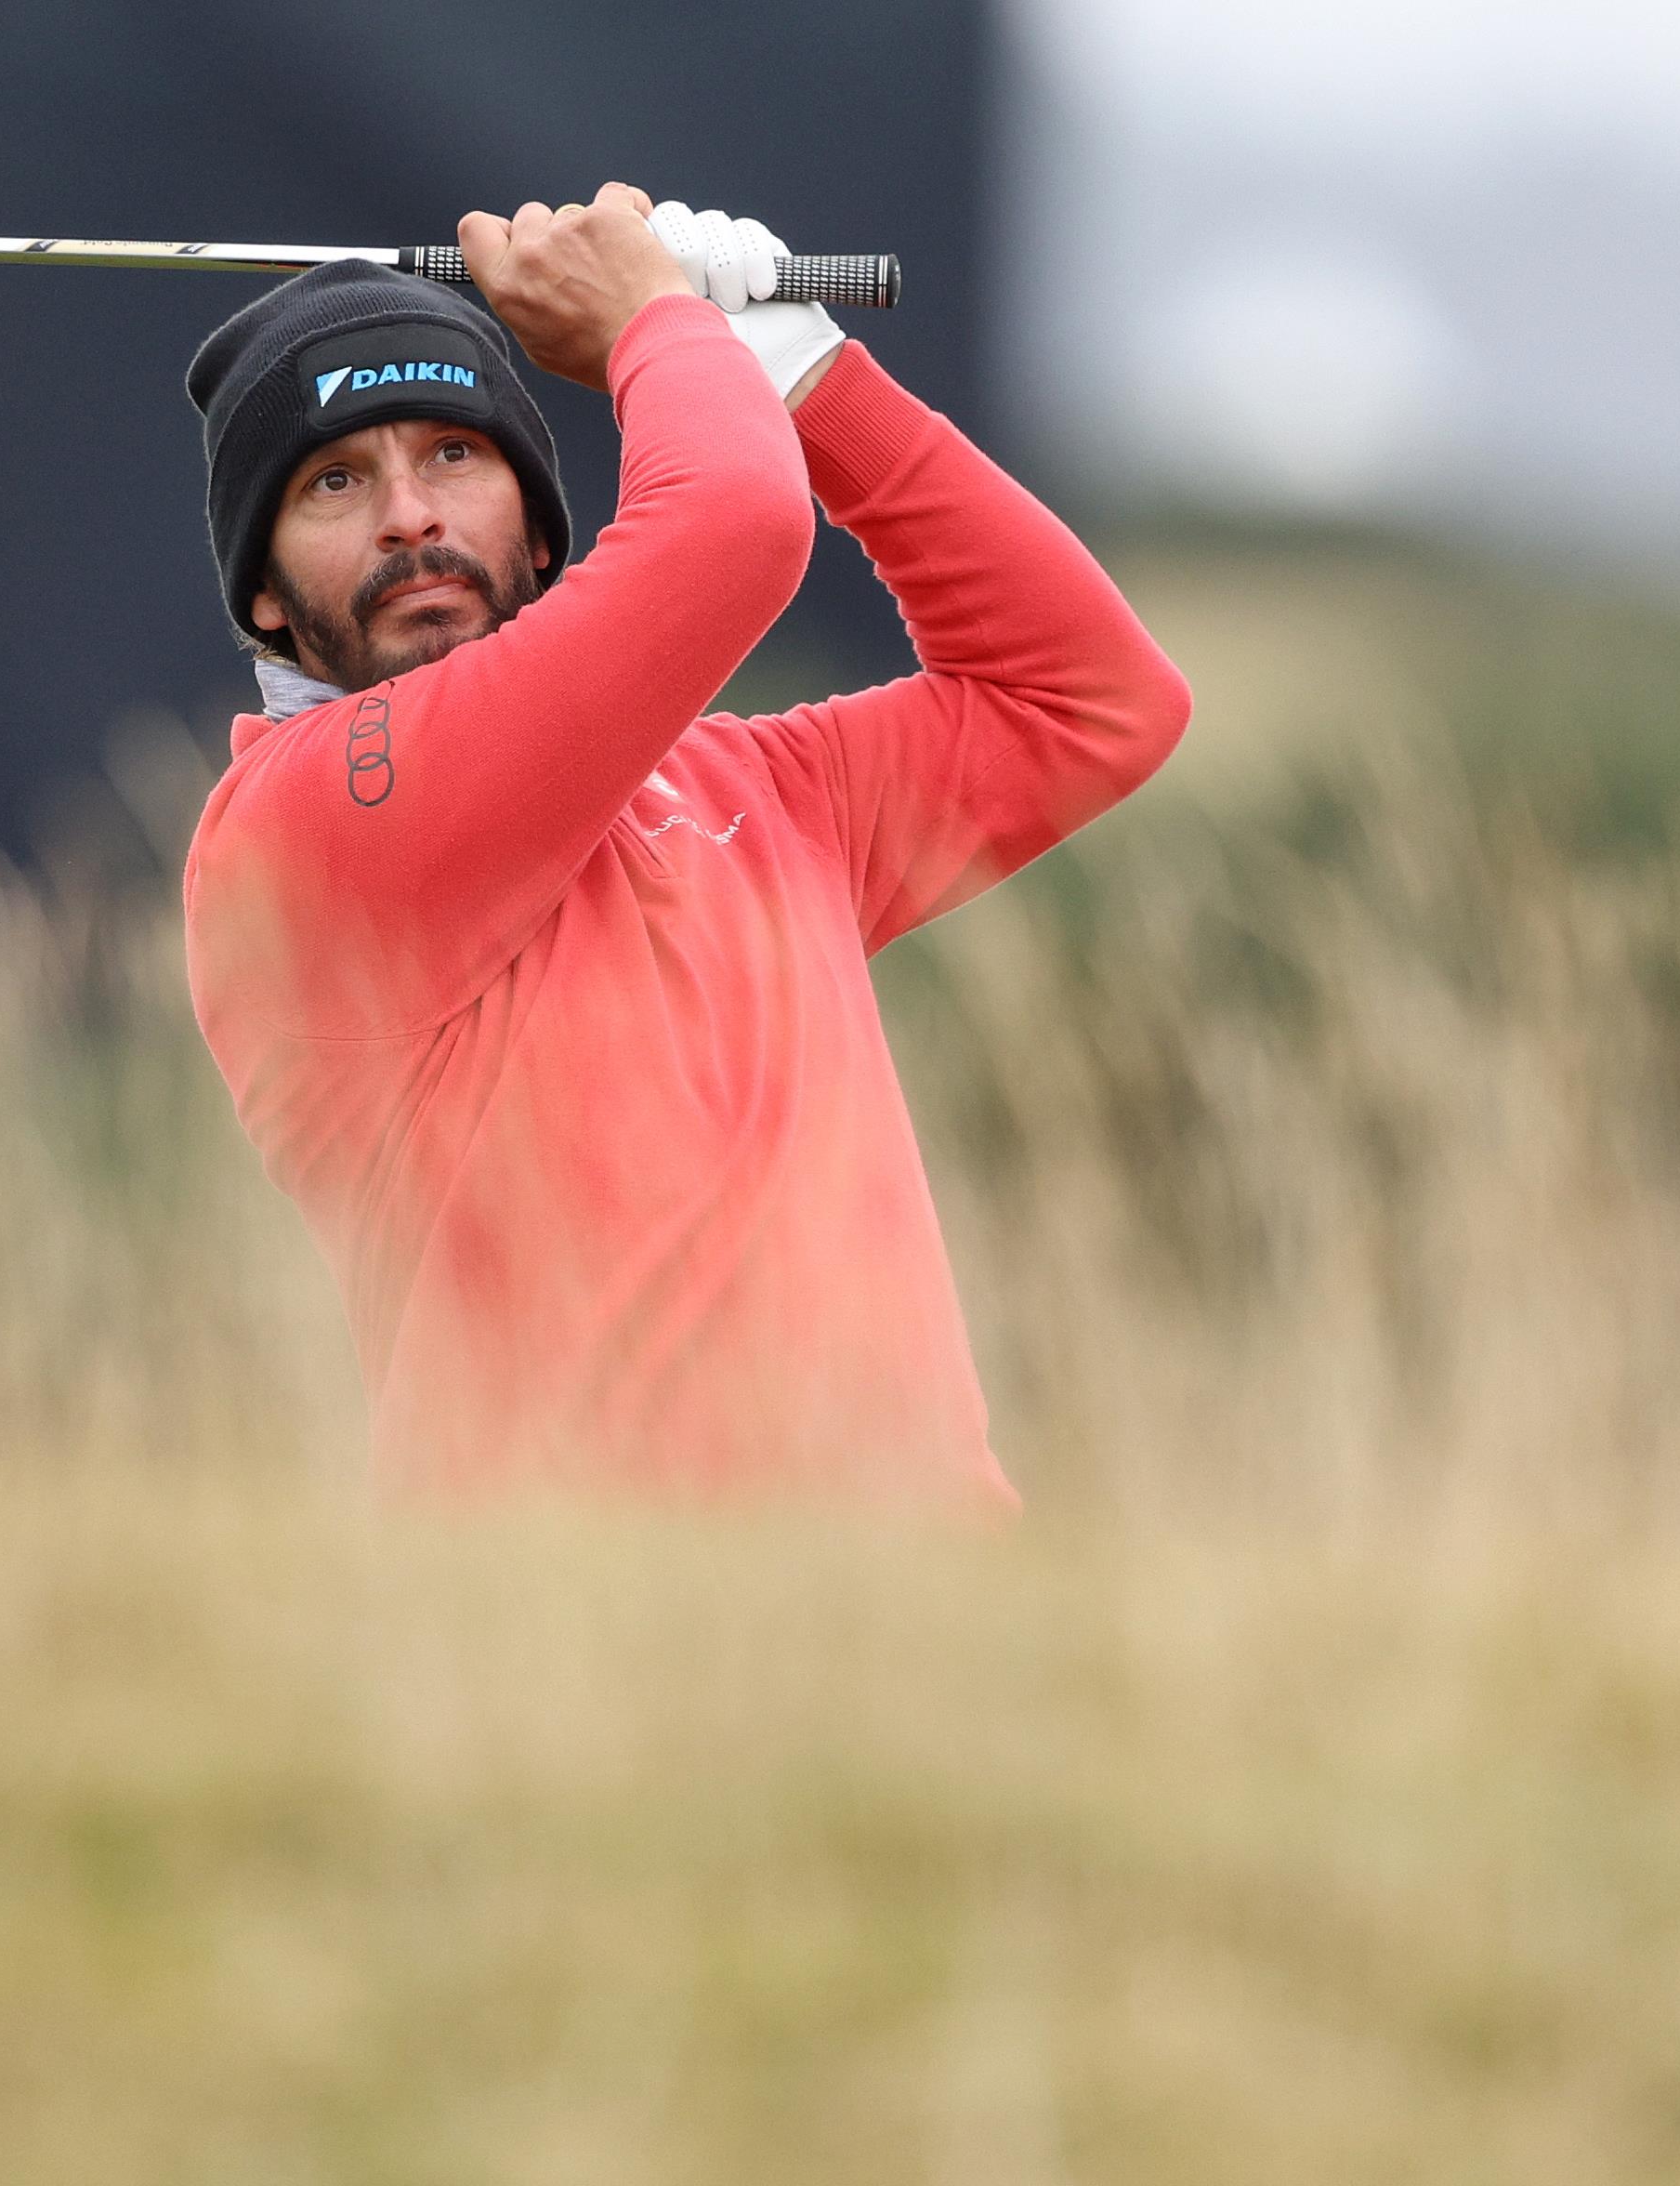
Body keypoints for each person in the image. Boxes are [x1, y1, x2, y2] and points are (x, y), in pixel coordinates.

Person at [177, 182, 1189, 1509]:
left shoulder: (759, 787)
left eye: (454, 457)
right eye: (334, 481)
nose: (409, 516)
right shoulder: (298, 830)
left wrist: (808, 373)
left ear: (541, 533)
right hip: (583, 1643)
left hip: (931, 1609)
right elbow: (732, 526)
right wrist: (655, 323)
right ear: (263, 596)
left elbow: (1090, 698)